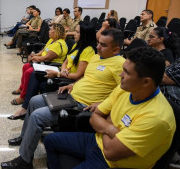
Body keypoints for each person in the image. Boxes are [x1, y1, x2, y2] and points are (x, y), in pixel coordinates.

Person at [1, 28, 125, 169]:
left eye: (103, 45)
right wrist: (72, 85)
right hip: (71, 95)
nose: (97, 47)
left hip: (82, 104)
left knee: (37, 116)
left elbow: (122, 92)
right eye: (98, 43)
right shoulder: (97, 57)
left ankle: (25, 160)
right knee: (34, 101)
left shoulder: (120, 64)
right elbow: (86, 77)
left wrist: (102, 103)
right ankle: (25, 138)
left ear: (115, 50)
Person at [44, 47, 176, 169]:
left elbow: (110, 153)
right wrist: (111, 127)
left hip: (113, 164)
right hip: (97, 141)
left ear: (146, 82)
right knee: (49, 140)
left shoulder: (157, 118)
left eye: (126, 72)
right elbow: (95, 116)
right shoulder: (125, 89)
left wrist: (107, 119)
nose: (120, 76)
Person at [8, 21, 96, 120]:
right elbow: (65, 61)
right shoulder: (77, 45)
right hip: (62, 72)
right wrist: (63, 69)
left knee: (34, 76)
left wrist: (59, 74)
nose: (73, 34)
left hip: (69, 80)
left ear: (85, 35)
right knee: (34, 74)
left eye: (77, 32)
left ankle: (25, 107)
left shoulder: (88, 51)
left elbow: (77, 75)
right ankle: (26, 107)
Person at [10, 23, 68, 106]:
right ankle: (21, 88)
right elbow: (43, 51)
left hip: (52, 66)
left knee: (29, 72)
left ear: (57, 32)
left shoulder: (58, 44)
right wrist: (35, 55)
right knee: (25, 66)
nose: (49, 31)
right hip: (44, 63)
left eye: (51, 30)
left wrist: (34, 58)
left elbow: (47, 58)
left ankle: (23, 97)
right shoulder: (52, 40)